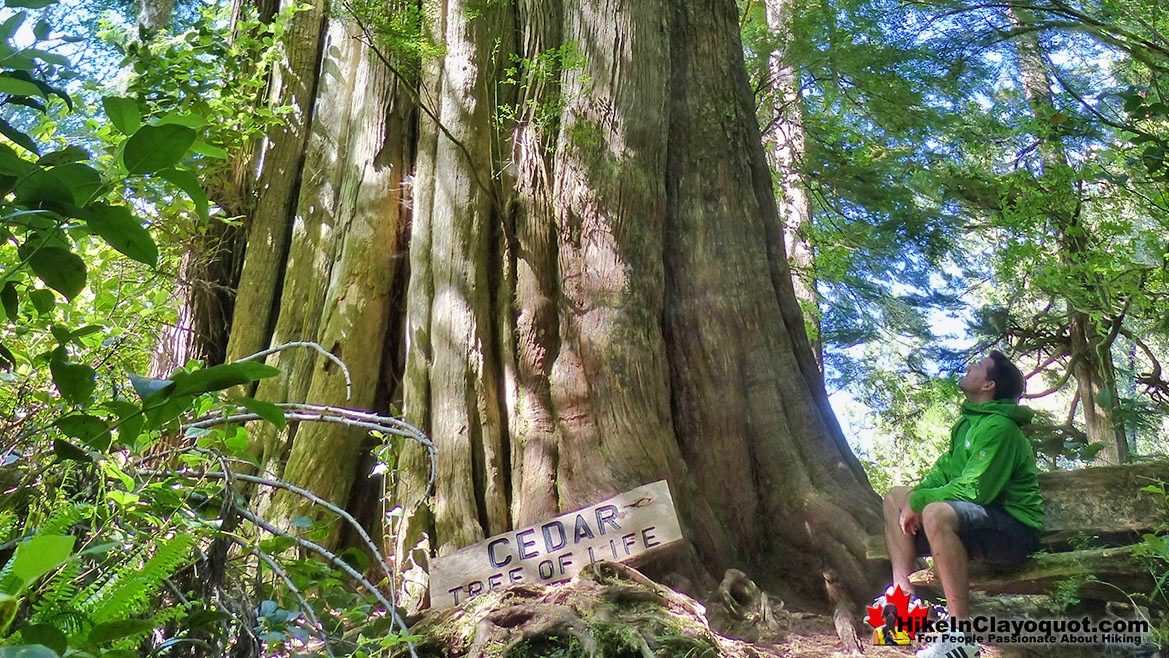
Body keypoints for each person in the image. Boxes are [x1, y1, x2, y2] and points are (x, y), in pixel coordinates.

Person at [882, 351, 1045, 658]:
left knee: (934, 511)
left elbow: (975, 489)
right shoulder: (968, 424)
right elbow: (944, 471)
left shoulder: (1000, 428)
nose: (971, 366)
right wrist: (913, 497)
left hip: (1015, 530)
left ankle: (961, 636)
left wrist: (920, 501)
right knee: (895, 498)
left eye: (979, 366)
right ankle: (903, 610)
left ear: (989, 386)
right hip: (975, 524)